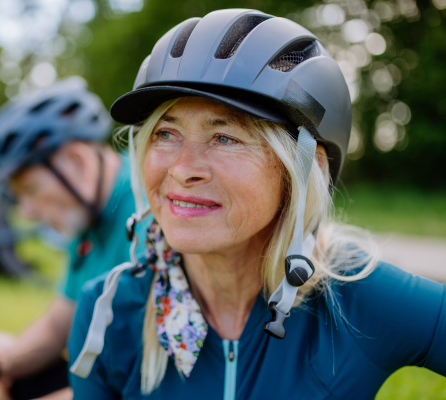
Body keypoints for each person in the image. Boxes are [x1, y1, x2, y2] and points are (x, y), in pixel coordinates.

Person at [68, 9, 446, 399]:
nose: (182, 170)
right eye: (166, 133)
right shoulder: (108, 312)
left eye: (224, 137)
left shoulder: (357, 298)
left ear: (303, 167)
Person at [0, 77, 146, 400]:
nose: (28, 212)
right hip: (103, 374)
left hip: (139, 384)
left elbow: (136, 388)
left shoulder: (150, 209)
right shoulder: (87, 218)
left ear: (77, 161)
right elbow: (56, 326)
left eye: (31, 190)